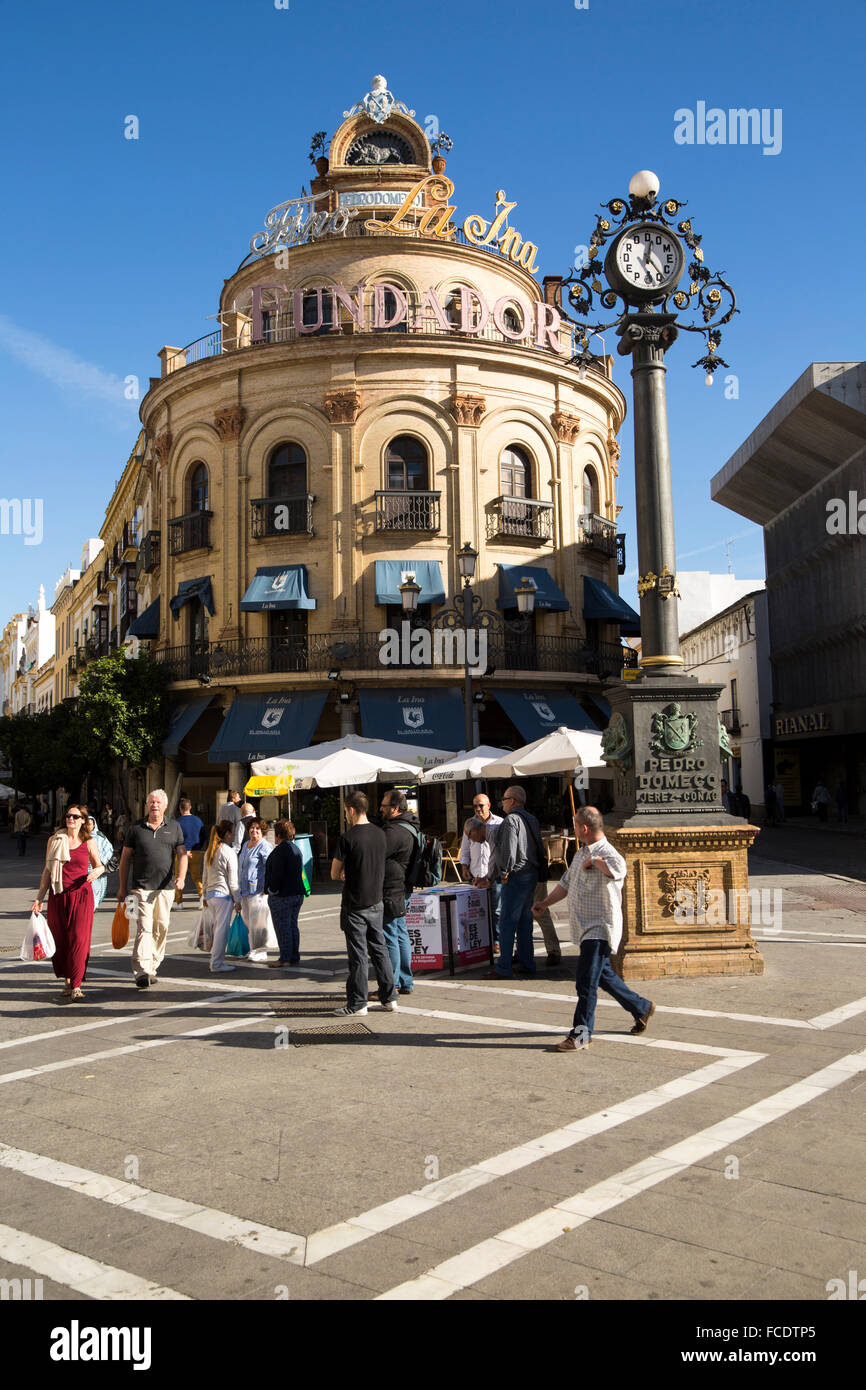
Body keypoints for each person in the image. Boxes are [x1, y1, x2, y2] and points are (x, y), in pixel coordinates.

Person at [533, 806, 654, 1052]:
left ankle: (581, 1034)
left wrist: (597, 862)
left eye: (575, 825)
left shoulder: (608, 853)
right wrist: (545, 903)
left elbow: (619, 871)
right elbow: (565, 884)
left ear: (584, 828)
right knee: (603, 976)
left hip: (600, 927)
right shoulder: (580, 854)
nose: (574, 829)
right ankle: (641, 1007)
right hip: (584, 927)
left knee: (586, 981)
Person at [330, 790, 396, 1015]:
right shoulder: (380, 834)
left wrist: (344, 872)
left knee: (358, 955)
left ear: (350, 810)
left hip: (354, 904)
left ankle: (358, 1003)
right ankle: (389, 997)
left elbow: (333, 873)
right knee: (380, 950)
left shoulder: (347, 838)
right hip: (376, 901)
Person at [32, 804, 104, 1003]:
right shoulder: (54, 840)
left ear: (83, 820)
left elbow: (99, 865)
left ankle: (77, 985)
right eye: (68, 816)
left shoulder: (89, 842)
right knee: (61, 940)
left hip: (81, 896)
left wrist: (97, 872)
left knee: (79, 939)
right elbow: (47, 871)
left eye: (75, 816)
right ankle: (67, 980)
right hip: (58, 896)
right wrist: (39, 898)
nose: (70, 819)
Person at [117, 789, 187, 990]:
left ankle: (153, 965)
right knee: (144, 928)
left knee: (161, 927)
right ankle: (141, 970)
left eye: (158, 802)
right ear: (147, 805)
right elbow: (125, 859)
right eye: (151, 802)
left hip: (165, 889)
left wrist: (181, 878)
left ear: (164, 806)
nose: (154, 805)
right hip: (141, 887)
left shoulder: (174, 827)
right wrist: (123, 887)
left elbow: (182, 853)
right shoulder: (136, 828)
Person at [482, 786, 545, 980]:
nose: (502, 802)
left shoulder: (511, 820)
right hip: (531, 873)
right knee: (525, 921)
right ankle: (527, 963)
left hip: (517, 875)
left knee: (507, 921)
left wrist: (504, 872)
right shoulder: (531, 818)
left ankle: (504, 967)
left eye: (505, 798)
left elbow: (509, 850)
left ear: (514, 801)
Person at [380, 788, 422, 995]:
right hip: (403, 886)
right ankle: (406, 981)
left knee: (390, 935)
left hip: (392, 888)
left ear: (395, 808)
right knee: (400, 932)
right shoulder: (410, 826)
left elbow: (375, 855)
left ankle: (393, 982)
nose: (381, 809)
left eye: (384, 805)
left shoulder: (394, 832)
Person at [459, 793, 502, 942]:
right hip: (476, 874)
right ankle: (483, 940)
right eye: (475, 806)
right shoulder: (470, 824)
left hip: (494, 875)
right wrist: (464, 868)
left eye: (481, 805)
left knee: (496, 910)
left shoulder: (499, 823)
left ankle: (496, 940)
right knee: (476, 911)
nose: (477, 809)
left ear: (489, 805)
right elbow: (464, 850)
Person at [201, 820, 241, 973]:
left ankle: (216, 961)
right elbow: (233, 881)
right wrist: (237, 900)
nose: (234, 835)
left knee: (216, 930)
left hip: (211, 895)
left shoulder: (209, 851)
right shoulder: (228, 852)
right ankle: (217, 963)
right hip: (223, 896)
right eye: (233, 832)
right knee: (221, 931)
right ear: (227, 834)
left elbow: (204, 876)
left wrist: (204, 895)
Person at [264, 820, 304, 967]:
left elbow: (277, 875)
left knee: (282, 927)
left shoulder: (279, 851)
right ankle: (294, 955)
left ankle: (285, 958)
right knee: (293, 925)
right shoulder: (295, 848)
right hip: (297, 893)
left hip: (283, 895)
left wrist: (271, 890)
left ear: (278, 834)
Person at [175, 796, 205, 905]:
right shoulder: (198, 820)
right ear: (190, 807)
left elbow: (174, 839)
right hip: (196, 852)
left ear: (180, 808)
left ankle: (179, 902)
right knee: (197, 876)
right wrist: (200, 846)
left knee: (178, 877)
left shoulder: (177, 822)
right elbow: (204, 836)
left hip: (181, 853)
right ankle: (202, 898)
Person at [85, 815, 114, 910]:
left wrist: (101, 862)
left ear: (94, 825)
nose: (87, 826)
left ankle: (91, 908)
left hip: (97, 869)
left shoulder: (100, 837)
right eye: (85, 824)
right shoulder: (78, 838)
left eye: (89, 824)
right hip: (84, 869)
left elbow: (108, 850)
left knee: (95, 892)